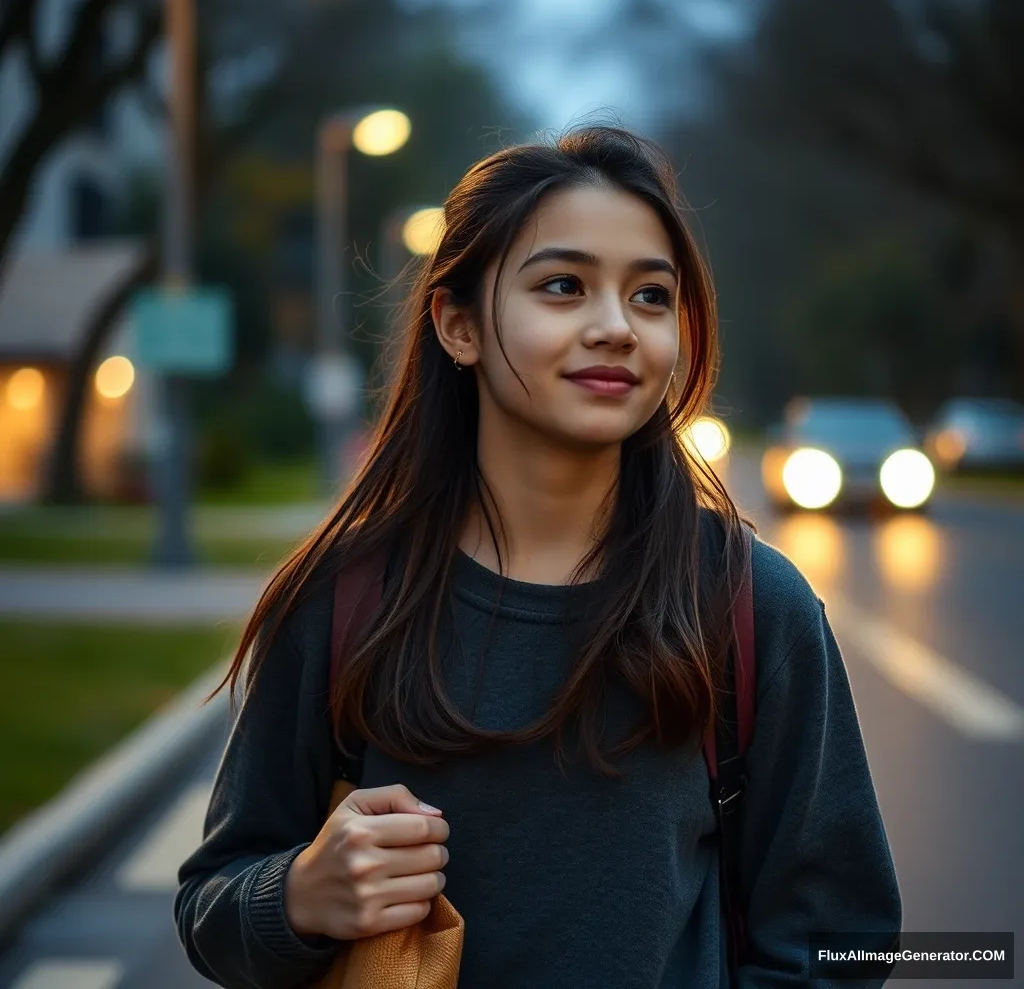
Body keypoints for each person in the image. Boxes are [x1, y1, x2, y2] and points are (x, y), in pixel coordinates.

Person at [175, 125, 901, 988]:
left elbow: (842, 940)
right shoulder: (345, 599)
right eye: (563, 286)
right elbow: (211, 905)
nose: (616, 328)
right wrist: (298, 895)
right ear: (458, 325)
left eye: (651, 297)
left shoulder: (750, 606)